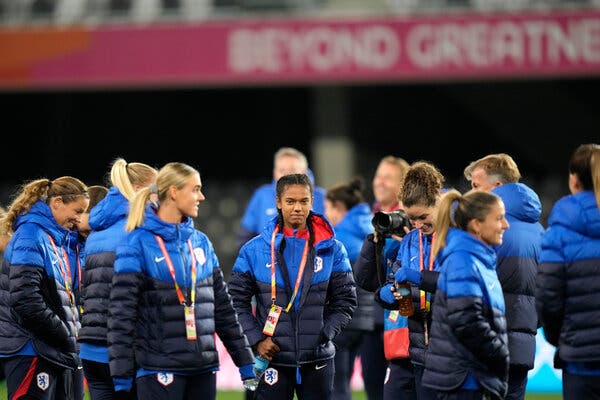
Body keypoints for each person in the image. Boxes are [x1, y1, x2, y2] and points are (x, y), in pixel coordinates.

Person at [107, 161, 255, 400]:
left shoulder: (201, 243)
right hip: (159, 368)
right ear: (174, 192)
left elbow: (223, 309)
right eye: (195, 189)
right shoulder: (136, 243)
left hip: (203, 369)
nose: (202, 196)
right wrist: (122, 375)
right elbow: (121, 315)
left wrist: (245, 361)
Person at [228, 173, 358, 400]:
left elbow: (346, 300)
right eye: (290, 201)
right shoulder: (253, 250)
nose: (297, 208)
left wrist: (325, 333)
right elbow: (235, 302)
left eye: (304, 201)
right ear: (278, 202)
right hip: (272, 360)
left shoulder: (332, 249)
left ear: (311, 202)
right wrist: (257, 339)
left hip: (318, 359)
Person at [0, 176, 90, 399]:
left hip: (50, 348)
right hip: (32, 348)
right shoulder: (31, 234)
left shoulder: (54, 237)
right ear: (57, 202)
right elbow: (25, 299)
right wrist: (66, 334)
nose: (79, 219)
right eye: (77, 211)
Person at [464, 153, 544, 400]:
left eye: (476, 186)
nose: (471, 193)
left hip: (486, 342)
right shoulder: (540, 230)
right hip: (522, 344)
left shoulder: (485, 227)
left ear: (497, 186)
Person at [79, 158, 157, 400]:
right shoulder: (140, 231)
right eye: (155, 190)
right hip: (127, 348)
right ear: (138, 190)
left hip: (92, 348)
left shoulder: (95, 232)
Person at [421, 189, 510, 400]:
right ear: (476, 224)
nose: (505, 225)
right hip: (465, 379)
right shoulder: (464, 260)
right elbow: (466, 320)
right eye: (498, 218)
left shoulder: (476, 258)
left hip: (472, 376)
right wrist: (501, 354)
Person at [376, 161, 445, 400]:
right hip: (416, 348)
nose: (417, 225)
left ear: (438, 201)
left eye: (423, 217)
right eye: (412, 219)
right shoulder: (410, 241)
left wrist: (420, 278)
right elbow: (393, 280)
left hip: (448, 351)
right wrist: (388, 294)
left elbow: (460, 283)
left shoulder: (456, 234)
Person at [536, 143, 600, 400]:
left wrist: (561, 337)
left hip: (579, 359)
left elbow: (548, 298)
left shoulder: (558, 235)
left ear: (573, 180)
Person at [350, 155, 412, 400]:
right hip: (371, 319)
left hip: (400, 317)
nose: (380, 182)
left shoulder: (412, 222)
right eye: (378, 176)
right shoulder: (371, 217)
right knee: (374, 389)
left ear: (402, 185)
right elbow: (364, 275)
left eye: (388, 177)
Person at [324, 176, 375, 400]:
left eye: (327, 208)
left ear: (337, 206)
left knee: (337, 382)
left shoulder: (338, 236)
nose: (326, 214)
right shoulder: (371, 228)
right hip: (366, 318)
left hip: (342, 319)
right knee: (346, 378)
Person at [237, 146, 327, 247]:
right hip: (269, 259)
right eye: (281, 170)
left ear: (305, 172)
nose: (286, 175)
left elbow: (333, 236)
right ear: (274, 173)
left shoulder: (323, 198)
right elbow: (246, 235)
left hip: (310, 258)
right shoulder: (262, 195)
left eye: (292, 170)